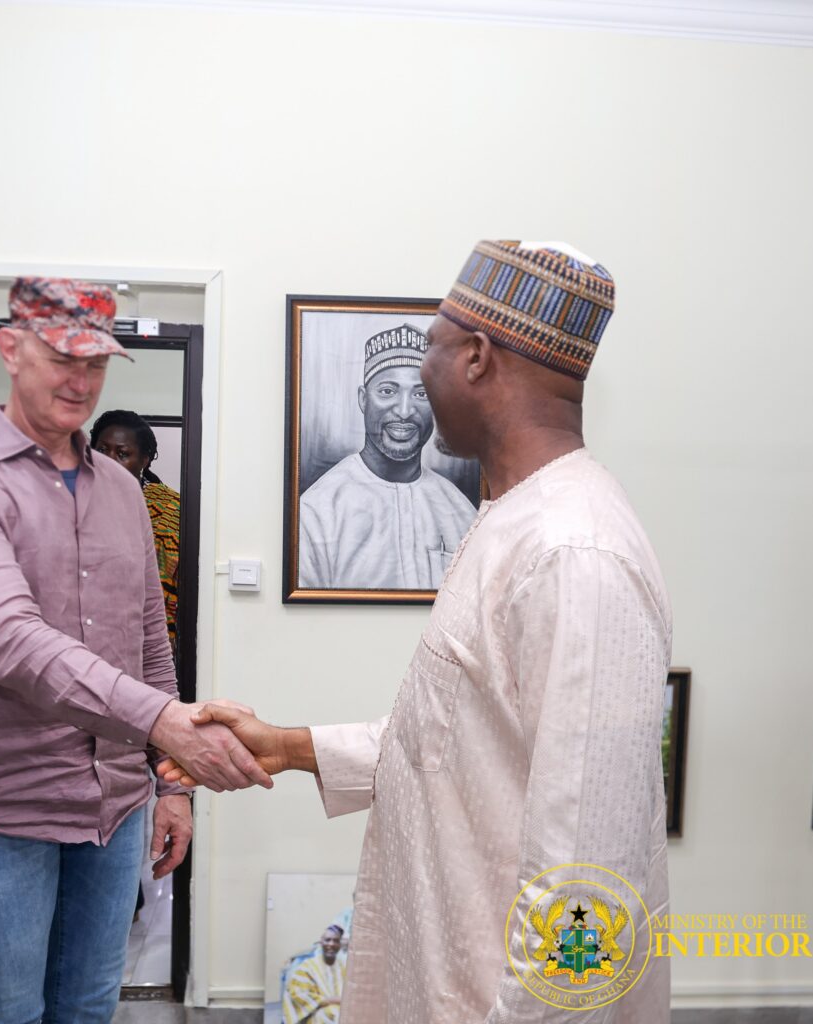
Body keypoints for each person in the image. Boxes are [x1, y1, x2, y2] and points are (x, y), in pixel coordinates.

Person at [164, 242, 672, 1022]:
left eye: (430, 347)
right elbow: (456, 739)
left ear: (475, 357)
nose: (423, 378)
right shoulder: (514, 517)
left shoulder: (573, 551)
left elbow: (587, 871)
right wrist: (289, 747)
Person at [0, 277, 272, 1024]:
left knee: (87, 1009)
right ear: (11, 350)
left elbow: (148, 639)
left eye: (96, 363)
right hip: (2, 808)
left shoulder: (121, 490)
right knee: (7, 1014)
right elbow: (12, 641)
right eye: (60, 359)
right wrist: (165, 724)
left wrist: (172, 785)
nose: (80, 381)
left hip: (114, 807)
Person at [298, 323, 476, 590]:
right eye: (388, 391)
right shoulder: (318, 512)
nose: (404, 411)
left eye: (421, 394)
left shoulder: (460, 511)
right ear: (363, 399)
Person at [91, 410, 180, 649]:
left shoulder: (170, 510)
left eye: (122, 454)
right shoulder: (72, 501)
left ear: (145, 460)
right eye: (101, 451)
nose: (109, 461)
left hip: (148, 639)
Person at [282, 925, 346, 1024]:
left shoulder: (343, 967)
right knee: (336, 1013)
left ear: (340, 945)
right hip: (315, 1013)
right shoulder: (307, 967)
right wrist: (331, 1000)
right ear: (321, 942)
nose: (331, 944)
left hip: (342, 1009)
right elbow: (297, 994)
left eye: (336, 941)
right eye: (328, 940)